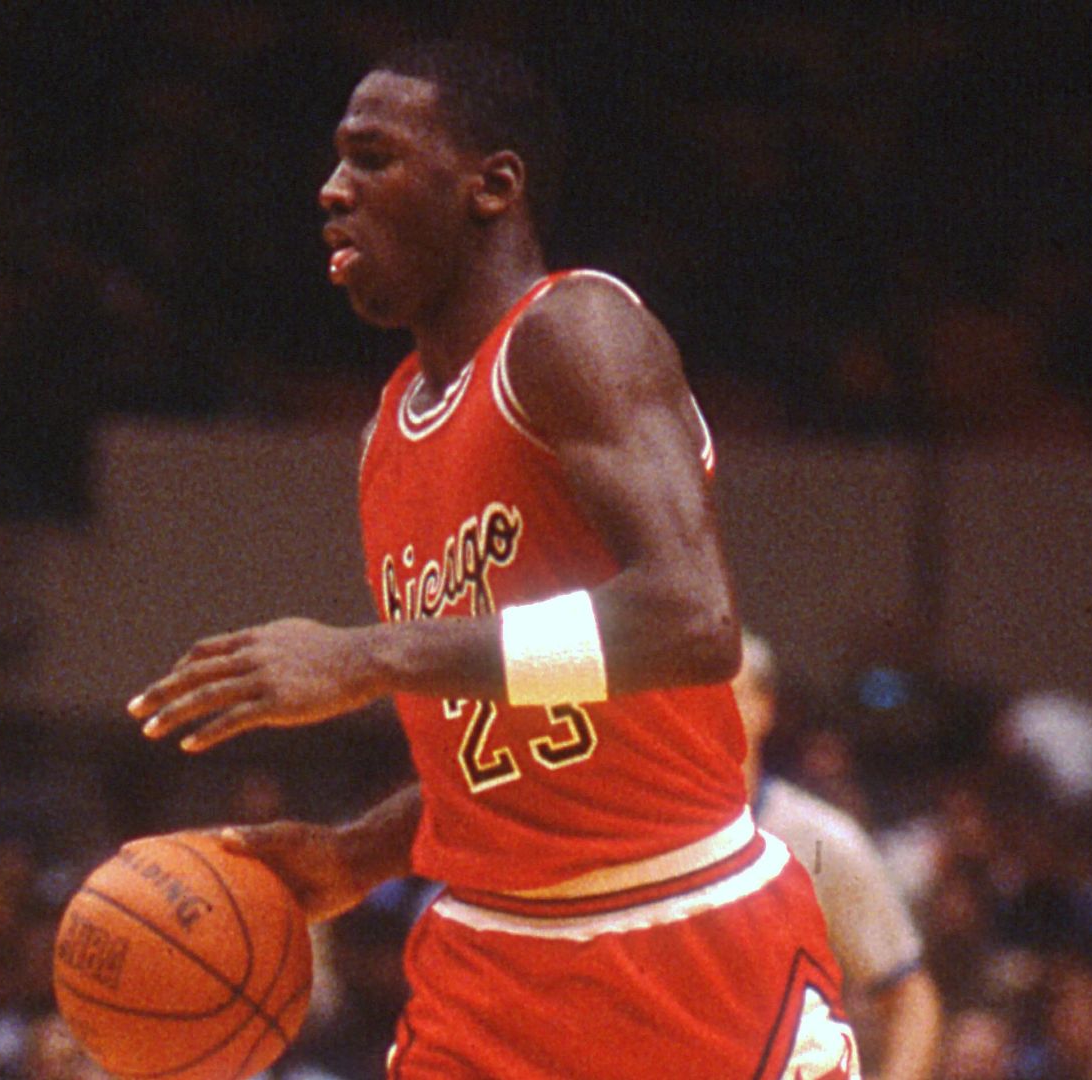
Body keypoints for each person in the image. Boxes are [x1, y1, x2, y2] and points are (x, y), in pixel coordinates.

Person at [127, 39, 859, 1079]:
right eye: (336, 163)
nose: (332, 190)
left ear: (493, 185)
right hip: (487, 965)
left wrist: (375, 656)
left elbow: (689, 625)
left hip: (682, 935)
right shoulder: (390, 430)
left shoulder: (574, 333)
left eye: (372, 157)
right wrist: (357, 853)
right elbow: (519, 740)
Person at [733, 632, 942, 1080]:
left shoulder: (823, 840)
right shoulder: (650, 837)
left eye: (729, 694)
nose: (710, 714)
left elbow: (911, 999)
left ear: (765, 706)